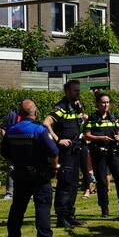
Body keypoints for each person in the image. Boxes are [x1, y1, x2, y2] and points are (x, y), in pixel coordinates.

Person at [0, 100, 62, 237]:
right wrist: (54, 168)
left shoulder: (11, 130)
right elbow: (54, 151)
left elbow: (4, 153)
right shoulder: (39, 129)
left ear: (20, 114)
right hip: (39, 175)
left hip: (20, 174)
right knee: (42, 207)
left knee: (17, 209)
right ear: (35, 113)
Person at [44, 80, 87, 228]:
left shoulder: (75, 107)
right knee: (65, 183)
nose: (78, 93)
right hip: (66, 152)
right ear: (67, 91)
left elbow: (82, 121)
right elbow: (46, 123)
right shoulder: (61, 107)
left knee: (74, 184)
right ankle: (61, 217)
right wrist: (58, 139)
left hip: (75, 149)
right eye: (75, 91)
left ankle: (70, 214)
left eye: (78, 90)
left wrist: (81, 112)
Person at [84, 92, 119, 218]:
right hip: (99, 154)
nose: (105, 105)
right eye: (103, 102)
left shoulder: (113, 117)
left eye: (107, 102)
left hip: (113, 153)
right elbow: (87, 135)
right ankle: (104, 210)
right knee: (102, 182)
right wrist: (101, 137)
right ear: (97, 104)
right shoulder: (92, 118)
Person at [0, 104, 22, 200]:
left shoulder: (31, 115)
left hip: (26, 146)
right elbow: (3, 129)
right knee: (11, 168)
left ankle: (28, 192)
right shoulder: (12, 115)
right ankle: (10, 193)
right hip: (12, 146)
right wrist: (7, 140)